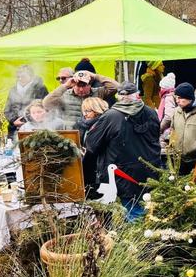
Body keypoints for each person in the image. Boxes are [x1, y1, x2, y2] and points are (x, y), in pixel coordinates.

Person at [84, 82, 161, 221]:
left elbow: (92, 144)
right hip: (150, 169)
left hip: (123, 173)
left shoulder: (112, 116)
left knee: (132, 212)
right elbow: (156, 138)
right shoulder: (151, 113)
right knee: (147, 209)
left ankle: (139, 234)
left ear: (118, 97)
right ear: (137, 95)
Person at [43, 69, 119, 128]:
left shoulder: (98, 92)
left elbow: (117, 87)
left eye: (84, 85)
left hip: (92, 132)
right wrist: (65, 85)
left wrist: (95, 76)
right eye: (78, 86)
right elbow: (46, 103)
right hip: (72, 133)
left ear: (90, 84)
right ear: (73, 85)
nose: (81, 89)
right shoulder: (65, 94)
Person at [76, 97, 109, 197]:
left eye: (88, 111)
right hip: (86, 166)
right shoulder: (82, 125)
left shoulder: (103, 125)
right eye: (83, 111)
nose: (85, 114)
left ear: (97, 110)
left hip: (99, 168)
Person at [4, 65, 48, 138]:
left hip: (34, 128)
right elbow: (7, 110)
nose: (20, 79)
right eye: (18, 77)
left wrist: (28, 122)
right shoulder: (13, 89)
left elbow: (45, 108)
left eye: (23, 76)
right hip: (14, 128)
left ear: (31, 76)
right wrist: (13, 121)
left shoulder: (40, 88)